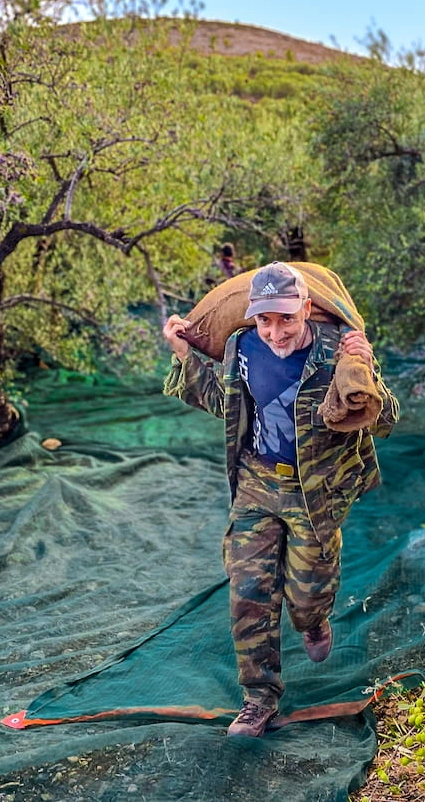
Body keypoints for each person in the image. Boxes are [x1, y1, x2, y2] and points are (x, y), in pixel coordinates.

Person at [161, 261, 399, 737]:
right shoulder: (241, 347)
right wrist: (183, 355)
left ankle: (313, 620)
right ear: (252, 317)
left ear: (306, 310)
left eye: (286, 319)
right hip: (255, 484)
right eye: (265, 319)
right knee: (248, 592)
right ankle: (258, 700)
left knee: (306, 599)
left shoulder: (339, 353)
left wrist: (366, 372)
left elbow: (385, 419)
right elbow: (221, 401)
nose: (275, 331)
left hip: (315, 493)